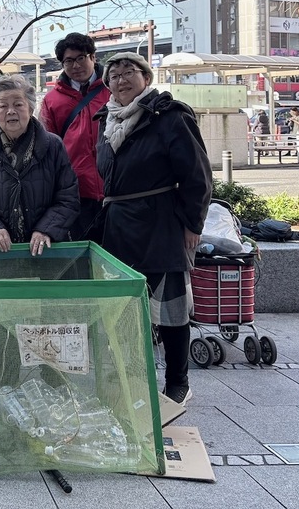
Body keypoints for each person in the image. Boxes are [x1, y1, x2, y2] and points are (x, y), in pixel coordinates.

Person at [95, 52, 212, 406]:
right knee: (127, 311)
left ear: (146, 77)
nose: (121, 79)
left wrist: (193, 223)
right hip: (117, 228)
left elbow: (197, 175)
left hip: (161, 225)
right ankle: (132, 378)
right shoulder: (108, 120)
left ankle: (178, 381)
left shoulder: (170, 116)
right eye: (113, 75)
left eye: (129, 71)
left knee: (171, 310)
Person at [0, 75, 80, 255]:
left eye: (18, 104)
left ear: (30, 108)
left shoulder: (53, 145)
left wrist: (46, 229)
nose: (11, 111)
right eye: (3, 105)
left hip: (46, 250)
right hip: (0, 251)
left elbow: (68, 197)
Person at [39, 32, 110, 240]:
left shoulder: (114, 89)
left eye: (81, 58)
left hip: (114, 188)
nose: (76, 65)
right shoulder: (52, 100)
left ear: (93, 57)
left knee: (118, 255)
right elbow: (48, 147)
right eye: (68, 61)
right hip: (76, 191)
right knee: (83, 252)